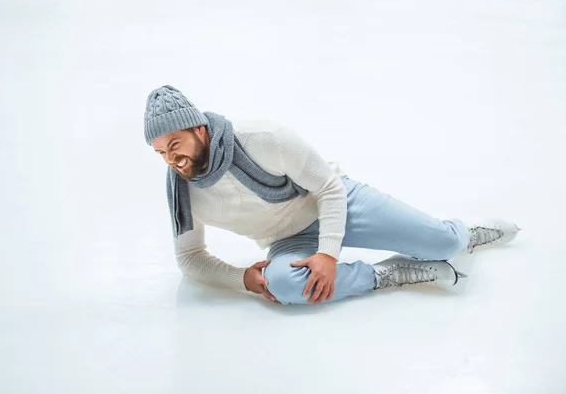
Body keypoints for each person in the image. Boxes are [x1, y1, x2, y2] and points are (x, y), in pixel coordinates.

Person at [144, 85, 520, 306]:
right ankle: (389, 274)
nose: (171, 159)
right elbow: (189, 257)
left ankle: (463, 235)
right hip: (288, 239)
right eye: (161, 152)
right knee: (283, 286)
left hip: (337, 202)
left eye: (175, 143)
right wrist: (240, 278)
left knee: (442, 242)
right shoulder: (181, 189)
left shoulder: (262, 137)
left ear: (199, 129)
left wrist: (328, 254)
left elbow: (328, 187)